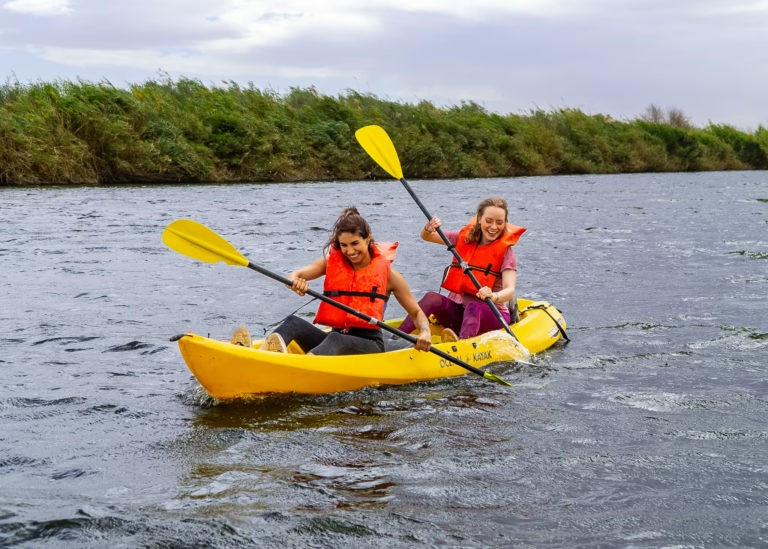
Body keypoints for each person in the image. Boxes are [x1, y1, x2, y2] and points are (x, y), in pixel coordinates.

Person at [232, 207, 432, 356]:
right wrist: (295, 282)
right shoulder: (332, 264)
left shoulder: (390, 275)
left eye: (355, 244)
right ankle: (259, 358)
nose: (350, 251)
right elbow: (295, 274)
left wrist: (424, 332)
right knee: (293, 323)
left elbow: (416, 313)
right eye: (344, 245)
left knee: (336, 339)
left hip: (369, 345)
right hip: (336, 338)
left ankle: (298, 369)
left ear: (368, 238)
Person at [397, 197, 525, 342]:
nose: (493, 227)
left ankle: (462, 347)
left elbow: (510, 290)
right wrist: (428, 228)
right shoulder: (463, 238)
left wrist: (493, 296)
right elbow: (428, 237)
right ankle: (395, 338)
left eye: (499, 222)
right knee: (431, 297)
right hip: (459, 313)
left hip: (491, 316)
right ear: (479, 219)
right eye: (488, 221)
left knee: (473, 307)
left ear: (505, 223)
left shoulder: (506, 252)